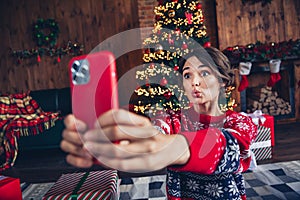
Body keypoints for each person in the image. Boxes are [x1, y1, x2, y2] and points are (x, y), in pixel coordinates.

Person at [61, 46, 257, 200]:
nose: (194, 82)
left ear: (222, 81)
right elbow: (156, 132)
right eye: (187, 75)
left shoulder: (240, 122)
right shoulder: (171, 118)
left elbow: (228, 145)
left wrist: (171, 146)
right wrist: (133, 140)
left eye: (204, 73)